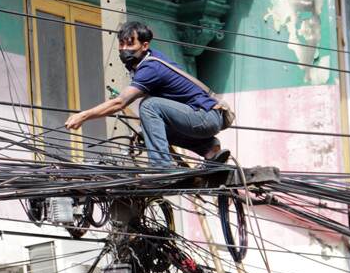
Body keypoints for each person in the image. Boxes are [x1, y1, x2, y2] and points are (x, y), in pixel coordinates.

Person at [64, 21, 229, 168]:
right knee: (150, 130)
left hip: (204, 116)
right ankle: (208, 149)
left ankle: (161, 166)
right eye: (121, 44)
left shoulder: (149, 68)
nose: (123, 49)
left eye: (130, 44)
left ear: (144, 46)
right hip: (203, 117)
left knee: (149, 106)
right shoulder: (147, 60)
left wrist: (83, 116)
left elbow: (119, 103)